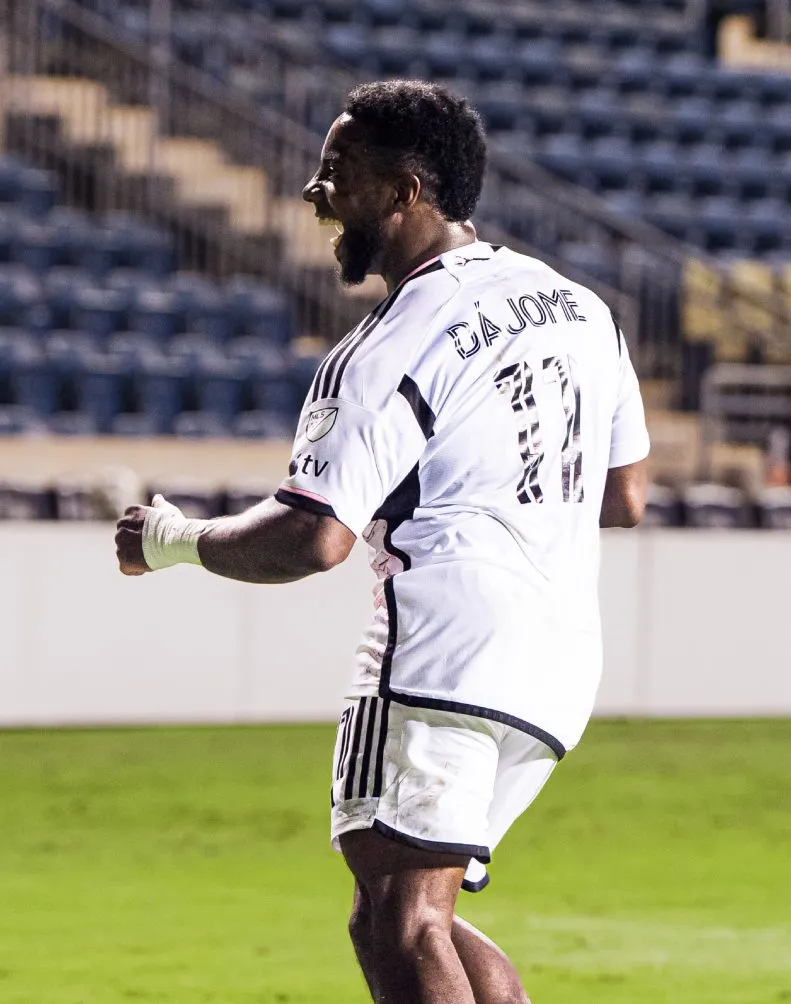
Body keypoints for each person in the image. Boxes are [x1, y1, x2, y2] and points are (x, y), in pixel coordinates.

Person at [115, 80, 649, 1004]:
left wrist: (171, 539)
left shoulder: (387, 342)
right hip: (558, 665)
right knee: (419, 913)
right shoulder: (578, 308)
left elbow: (313, 537)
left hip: (439, 653)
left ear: (404, 192)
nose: (315, 190)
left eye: (338, 171)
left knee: (395, 920)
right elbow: (625, 495)